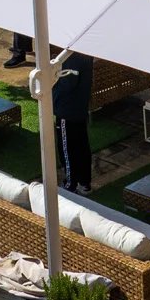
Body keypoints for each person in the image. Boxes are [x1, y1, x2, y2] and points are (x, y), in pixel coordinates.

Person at [50, 50, 93, 194]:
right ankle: (84, 182)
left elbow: (67, 84)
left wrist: (51, 82)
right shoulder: (84, 55)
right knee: (81, 146)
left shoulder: (72, 58)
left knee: (67, 149)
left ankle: (70, 184)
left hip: (67, 110)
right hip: (78, 109)